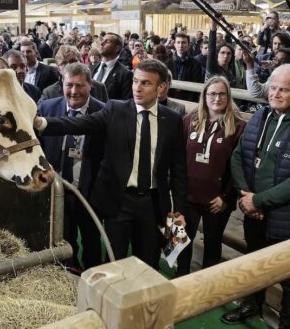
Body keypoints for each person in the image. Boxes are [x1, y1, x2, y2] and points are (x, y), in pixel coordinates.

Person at [35, 60, 187, 269]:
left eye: (145, 83)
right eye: (135, 81)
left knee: (149, 262)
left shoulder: (173, 120)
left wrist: (178, 209)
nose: (137, 88)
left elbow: (179, 168)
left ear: (161, 88)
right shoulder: (116, 109)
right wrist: (43, 123)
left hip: (153, 205)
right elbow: (81, 123)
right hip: (119, 202)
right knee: (114, 262)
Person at [224, 64, 290, 328]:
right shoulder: (260, 116)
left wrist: (257, 201)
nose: (275, 94)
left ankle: (288, 322)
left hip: (288, 217)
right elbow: (239, 156)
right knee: (255, 260)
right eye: (273, 87)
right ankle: (252, 303)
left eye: (284, 89)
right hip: (254, 209)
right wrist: (247, 194)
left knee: (289, 274)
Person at [38, 62, 105, 272]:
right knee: (62, 242)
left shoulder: (103, 112)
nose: (74, 91)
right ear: (62, 84)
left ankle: (93, 281)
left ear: (90, 85)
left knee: (92, 242)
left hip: (89, 194)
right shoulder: (47, 109)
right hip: (57, 193)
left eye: (80, 85)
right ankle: (67, 279)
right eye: (69, 85)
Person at [176, 76, 245, 277]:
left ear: (228, 96)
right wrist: (176, 189)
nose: (217, 98)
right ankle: (178, 276)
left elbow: (239, 167)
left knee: (213, 243)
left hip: (217, 200)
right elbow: (176, 157)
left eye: (222, 94)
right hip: (186, 195)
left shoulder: (239, 127)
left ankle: (208, 281)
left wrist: (227, 197)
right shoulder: (188, 121)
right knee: (179, 238)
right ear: (204, 96)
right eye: (212, 93)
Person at [40, 45, 108, 103]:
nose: (69, 65)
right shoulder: (49, 93)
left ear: (81, 62)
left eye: (73, 61)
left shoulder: (99, 88)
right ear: (59, 70)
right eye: (64, 63)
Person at [91, 33, 132, 100]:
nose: (102, 43)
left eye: (107, 41)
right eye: (102, 40)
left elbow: (126, 103)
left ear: (116, 48)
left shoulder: (125, 74)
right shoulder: (91, 68)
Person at [206, 22, 237, 87]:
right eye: (222, 53)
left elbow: (229, 45)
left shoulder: (230, 69)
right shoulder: (213, 68)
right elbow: (211, 50)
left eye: (228, 54)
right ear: (217, 54)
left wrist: (228, 34)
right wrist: (213, 26)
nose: (225, 56)